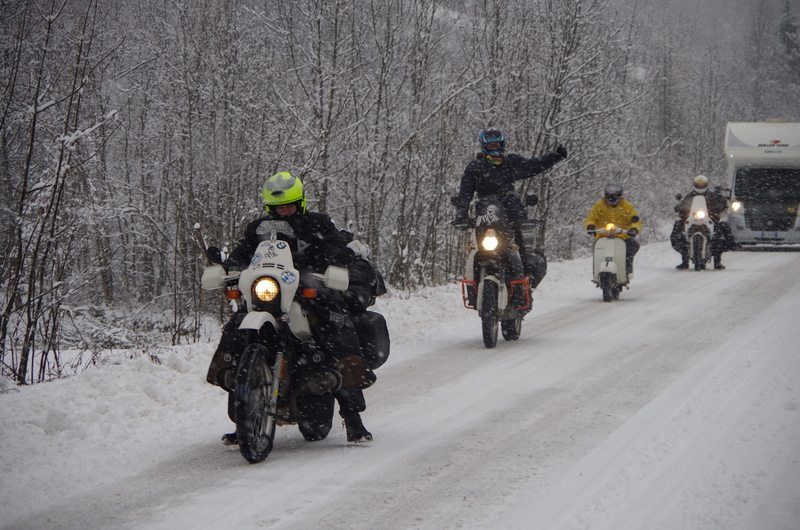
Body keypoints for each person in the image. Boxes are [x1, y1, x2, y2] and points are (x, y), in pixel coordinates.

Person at [206, 172, 375, 444]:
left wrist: (339, 255)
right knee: (236, 330)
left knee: (336, 329)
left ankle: (353, 418)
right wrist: (227, 265)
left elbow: (334, 244)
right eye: (278, 207)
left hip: (310, 288)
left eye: (290, 206)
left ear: (301, 203)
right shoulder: (259, 229)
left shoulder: (317, 223)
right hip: (270, 292)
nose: (284, 211)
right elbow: (243, 253)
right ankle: (241, 414)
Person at [452, 128, 566, 287]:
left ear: (503, 144)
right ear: (484, 146)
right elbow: (465, 193)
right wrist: (461, 215)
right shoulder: (475, 167)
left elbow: (533, 165)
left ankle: (524, 276)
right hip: (486, 211)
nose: (494, 147)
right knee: (475, 244)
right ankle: (475, 279)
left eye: (497, 144)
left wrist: (554, 157)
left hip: (511, 208)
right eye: (490, 145)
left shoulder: (510, 162)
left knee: (521, 237)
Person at [670, 175, 737, 270]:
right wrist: (680, 207)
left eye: (702, 185)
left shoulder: (712, 195)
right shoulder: (690, 196)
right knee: (678, 227)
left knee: (722, 229)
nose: (700, 187)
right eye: (698, 185)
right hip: (692, 220)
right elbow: (683, 204)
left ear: (706, 185)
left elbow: (721, 202)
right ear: (695, 185)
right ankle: (684, 261)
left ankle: (719, 260)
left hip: (710, 220)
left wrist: (721, 205)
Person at [584, 184, 642, 276]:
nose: (612, 198)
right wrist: (590, 225)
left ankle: (626, 270)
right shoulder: (599, 206)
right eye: (610, 196)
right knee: (598, 251)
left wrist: (634, 228)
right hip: (603, 236)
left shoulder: (627, 207)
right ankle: (596, 273)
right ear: (606, 196)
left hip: (622, 236)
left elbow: (636, 220)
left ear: (620, 196)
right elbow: (591, 218)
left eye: (615, 196)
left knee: (631, 246)